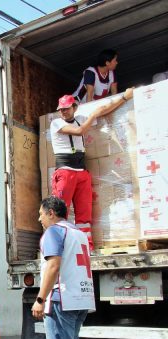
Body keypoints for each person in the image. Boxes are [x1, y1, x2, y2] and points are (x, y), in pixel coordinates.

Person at [32, 196, 95, 339]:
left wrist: (40, 299)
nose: (39, 219)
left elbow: (53, 265)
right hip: (82, 298)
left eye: (41, 214)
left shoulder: (53, 232)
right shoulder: (78, 233)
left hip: (62, 298)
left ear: (51, 212)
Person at [49, 87, 133, 250]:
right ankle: (59, 246)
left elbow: (102, 109)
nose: (63, 112)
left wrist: (124, 97)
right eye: (61, 109)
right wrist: (93, 115)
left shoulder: (81, 117)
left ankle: (86, 246)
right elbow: (79, 131)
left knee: (84, 212)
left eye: (66, 108)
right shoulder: (56, 123)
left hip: (81, 172)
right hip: (65, 171)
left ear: (74, 108)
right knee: (60, 209)